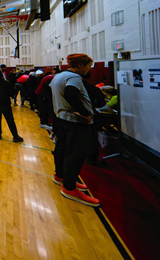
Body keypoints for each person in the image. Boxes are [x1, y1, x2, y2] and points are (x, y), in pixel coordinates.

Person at [51, 53, 100, 207]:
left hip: (62, 119)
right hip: (76, 122)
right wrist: (85, 113)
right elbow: (71, 94)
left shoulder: (58, 76)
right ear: (80, 66)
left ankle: (61, 176)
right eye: (88, 66)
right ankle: (69, 188)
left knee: (62, 149)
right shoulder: (74, 78)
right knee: (75, 154)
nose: (88, 70)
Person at [0, 69, 24, 143]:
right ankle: (15, 136)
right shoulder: (5, 83)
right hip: (4, 104)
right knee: (10, 120)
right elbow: (11, 93)